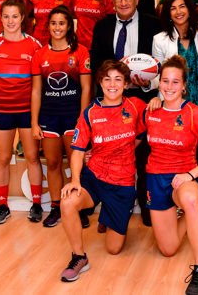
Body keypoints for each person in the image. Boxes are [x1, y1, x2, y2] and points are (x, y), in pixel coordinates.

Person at [58, 60, 146, 282]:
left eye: (118, 79)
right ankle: (79, 257)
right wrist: (75, 180)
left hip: (122, 182)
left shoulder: (136, 106)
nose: (112, 84)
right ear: (100, 82)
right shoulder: (90, 112)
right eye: (107, 79)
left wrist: (155, 100)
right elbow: (77, 151)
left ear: (126, 84)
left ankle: (107, 216)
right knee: (68, 202)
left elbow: (145, 129)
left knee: (114, 249)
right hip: (94, 177)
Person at [143, 55, 198, 295]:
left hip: (182, 178)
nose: (169, 87)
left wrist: (191, 174)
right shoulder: (150, 111)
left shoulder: (195, 113)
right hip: (155, 179)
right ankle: (194, 221)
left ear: (184, 86)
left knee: (190, 200)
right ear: (159, 83)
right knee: (168, 249)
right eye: (165, 81)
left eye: (175, 82)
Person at [90, 0, 162, 226]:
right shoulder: (102, 26)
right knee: (110, 157)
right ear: (113, 1)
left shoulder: (154, 24)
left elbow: (161, 64)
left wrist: (143, 84)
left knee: (143, 156)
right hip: (111, 102)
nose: (123, 3)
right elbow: (97, 64)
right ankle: (110, 211)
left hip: (143, 100)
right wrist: (116, 83)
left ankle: (145, 206)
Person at [0, 0, 43, 224]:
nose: (10, 21)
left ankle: (36, 204)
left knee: (32, 157)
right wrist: (3, 95)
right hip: (2, 110)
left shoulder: (34, 45)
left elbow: (38, 81)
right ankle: (2, 206)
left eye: (15, 16)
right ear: (0, 18)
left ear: (23, 17)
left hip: (27, 111)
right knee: (3, 158)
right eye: (6, 16)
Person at [31, 5, 92, 227]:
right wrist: (34, 122)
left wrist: (83, 119)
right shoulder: (39, 55)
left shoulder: (81, 52)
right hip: (49, 116)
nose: (57, 27)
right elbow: (36, 90)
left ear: (69, 26)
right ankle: (56, 207)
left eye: (62, 23)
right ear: (47, 26)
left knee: (77, 164)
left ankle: (81, 206)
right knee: (54, 162)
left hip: (73, 116)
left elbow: (87, 89)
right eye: (53, 23)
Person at [151, 0, 198, 110]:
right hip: (175, 101)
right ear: (169, 14)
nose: (178, 12)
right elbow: (159, 75)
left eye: (182, 6)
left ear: (189, 9)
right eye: (173, 8)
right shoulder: (159, 39)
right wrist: (148, 84)